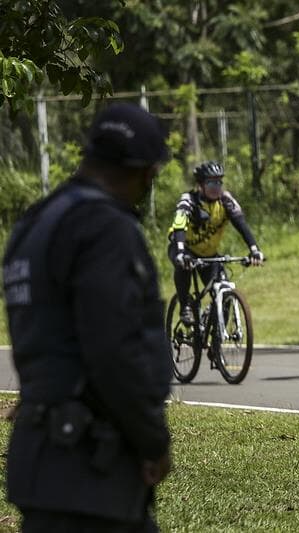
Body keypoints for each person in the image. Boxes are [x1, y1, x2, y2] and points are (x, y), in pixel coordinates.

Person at [2, 103, 173, 531]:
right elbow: (114, 349)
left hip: (42, 461)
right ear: (144, 171)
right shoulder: (104, 228)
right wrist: (152, 440)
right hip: (91, 470)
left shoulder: (36, 222)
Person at [167, 161, 264, 325]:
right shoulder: (188, 200)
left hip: (209, 255)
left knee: (224, 293)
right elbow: (179, 225)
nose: (216, 187)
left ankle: (216, 345)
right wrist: (181, 252)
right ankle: (185, 307)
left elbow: (241, 224)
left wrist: (254, 249)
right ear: (200, 185)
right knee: (182, 266)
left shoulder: (226, 201)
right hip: (184, 248)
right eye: (211, 182)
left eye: (219, 182)